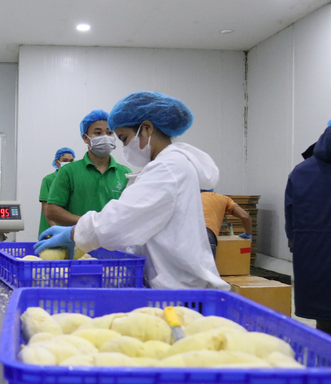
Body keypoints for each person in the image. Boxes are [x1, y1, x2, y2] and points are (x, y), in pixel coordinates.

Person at [36, 91, 229, 290]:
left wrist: (74, 233)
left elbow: (120, 221)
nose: (124, 146)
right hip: (170, 281)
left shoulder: (167, 168)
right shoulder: (167, 166)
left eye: (123, 138)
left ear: (146, 129)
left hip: (177, 288)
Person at [45, 110, 131, 226]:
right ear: (86, 138)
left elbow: (130, 211)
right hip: (77, 242)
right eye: (98, 133)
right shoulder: (69, 171)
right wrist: (89, 223)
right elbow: (52, 211)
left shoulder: (125, 173)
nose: (105, 137)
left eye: (109, 132)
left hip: (113, 242)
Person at [285, 126, 331, 334]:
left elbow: (290, 215)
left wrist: (296, 243)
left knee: (324, 323)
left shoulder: (301, 172)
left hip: (313, 257)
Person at [201, 190, 253, 257]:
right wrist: (248, 234)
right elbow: (245, 216)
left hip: (189, 235)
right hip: (207, 236)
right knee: (205, 267)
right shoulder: (224, 198)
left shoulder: (192, 198)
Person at [38, 147, 74, 237]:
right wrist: (55, 229)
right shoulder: (49, 180)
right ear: (57, 162)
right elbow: (45, 207)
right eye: (65, 160)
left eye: (71, 161)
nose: (68, 163)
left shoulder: (75, 181)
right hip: (51, 231)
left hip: (69, 231)